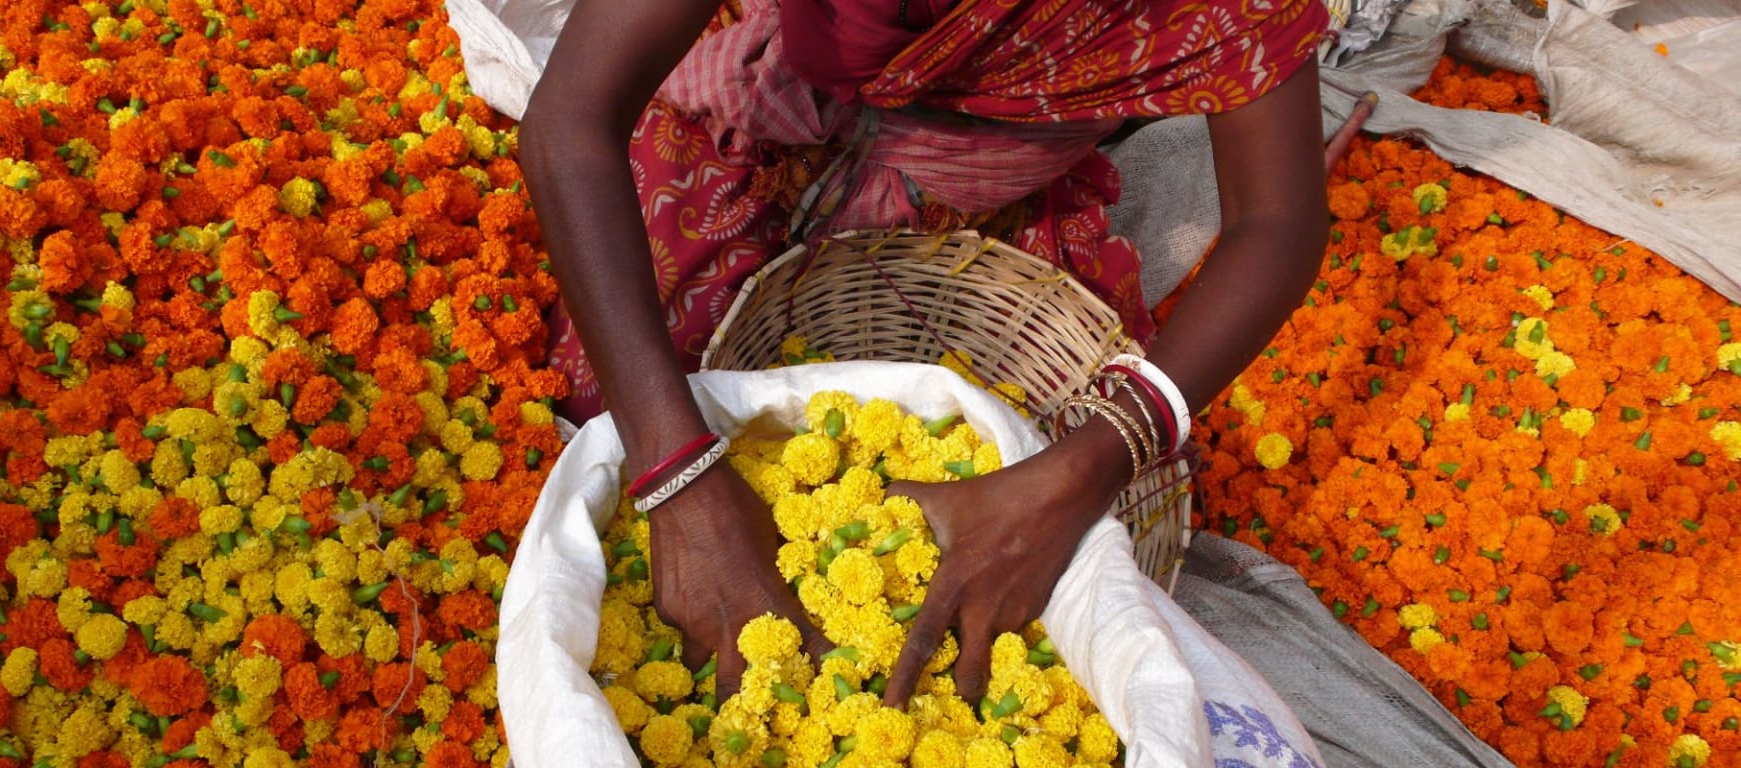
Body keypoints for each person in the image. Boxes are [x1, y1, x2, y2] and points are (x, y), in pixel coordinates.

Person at [520, 0, 1332, 707]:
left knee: (1053, 454)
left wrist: (1085, 466)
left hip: (978, 185)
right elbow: (570, 120)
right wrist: (680, 478)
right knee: (603, 404)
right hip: (776, 109)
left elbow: (1280, 222)